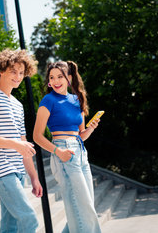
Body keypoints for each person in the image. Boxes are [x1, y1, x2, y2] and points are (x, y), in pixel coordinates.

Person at [0, 49, 43, 233]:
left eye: (21, 73)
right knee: (29, 220)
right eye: (13, 71)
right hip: (0, 169)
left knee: (10, 226)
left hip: (17, 171)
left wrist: (34, 178)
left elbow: (24, 145)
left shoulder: (17, 105)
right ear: (1, 70)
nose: (18, 77)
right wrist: (16, 144)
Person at [33, 61, 101, 233]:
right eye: (51, 77)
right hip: (63, 152)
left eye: (60, 76)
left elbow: (80, 135)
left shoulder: (76, 100)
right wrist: (58, 152)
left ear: (69, 78)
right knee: (84, 209)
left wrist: (91, 128)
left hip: (80, 152)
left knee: (84, 207)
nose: (56, 81)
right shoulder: (48, 100)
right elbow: (37, 136)